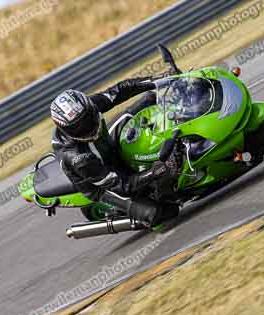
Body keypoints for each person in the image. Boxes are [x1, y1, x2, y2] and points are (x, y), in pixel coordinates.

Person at [49, 77, 180, 228]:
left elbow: (119, 90)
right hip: (103, 184)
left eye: (87, 119)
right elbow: (122, 186)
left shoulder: (85, 108)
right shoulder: (79, 158)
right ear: (64, 128)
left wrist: (159, 80)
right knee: (162, 213)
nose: (86, 127)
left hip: (107, 146)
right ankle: (124, 211)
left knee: (151, 97)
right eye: (77, 128)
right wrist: (154, 172)